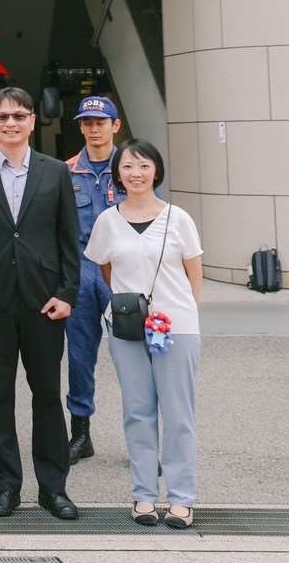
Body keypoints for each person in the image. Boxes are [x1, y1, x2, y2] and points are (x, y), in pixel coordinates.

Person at [0, 86, 80, 521]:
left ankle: (53, 488)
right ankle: (5, 486)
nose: (11, 123)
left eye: (19, 116)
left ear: (32, 121)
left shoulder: (55, 172)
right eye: (3, 117)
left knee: (47, 395)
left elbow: (69, 241)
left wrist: (67, 294)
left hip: (45, 302)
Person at [84, 140, 203, 529]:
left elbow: (193, 277)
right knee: (137, 412)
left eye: (144, 166)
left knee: (178, 413)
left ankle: (182, 497)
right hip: (127, 328)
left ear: (157, 171)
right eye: (128, 166)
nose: (136, 173)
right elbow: (106, 271)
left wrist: (179, 313)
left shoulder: (179, 218)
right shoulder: (107, 220)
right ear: (118, 173)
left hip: (177, 328)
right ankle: (144, 496)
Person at [63, 95, 122, 465]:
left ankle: (144, 437)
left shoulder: (133, 167)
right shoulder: (66, 171)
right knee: (79, 356)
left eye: (101, 122)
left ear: (116, 126)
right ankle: (80, 433)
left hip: (124, 273)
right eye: (87, 122)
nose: (93, 128)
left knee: (134, 356)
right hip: (83, 268)